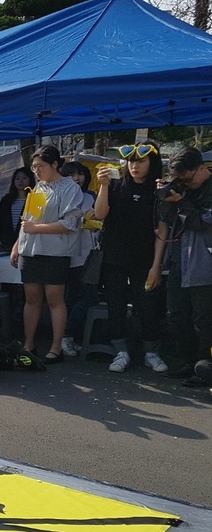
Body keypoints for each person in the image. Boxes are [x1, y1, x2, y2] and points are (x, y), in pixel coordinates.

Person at [90, 145, 168, 372]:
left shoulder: (158, 190)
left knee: (147, 305)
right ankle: (120, 351)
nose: (135, 166)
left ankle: (151, 352)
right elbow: (100, 214)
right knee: (116, 305)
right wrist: (103, 186)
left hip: (145, 259)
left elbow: (162, 231)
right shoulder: (115, 185)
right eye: (131, 162)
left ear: (152, 164)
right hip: (114, 257)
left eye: (141, 162)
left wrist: (156, 266)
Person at [10, 145, 85, 364]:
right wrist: (17, 245)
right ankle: (29, 343)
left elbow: (70, 223)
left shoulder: (70, 188)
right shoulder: (37, 188)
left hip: (55, 251)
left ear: (54, 164)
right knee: (31, 298)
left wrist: (37, 229)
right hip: (29, 249)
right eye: (33, 167)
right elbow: (26, 222)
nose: (36, 171)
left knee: (54, 299)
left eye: (40, 166)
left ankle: (55, 347)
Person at [157, 147, 212, 387]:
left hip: (205, 262)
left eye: (187, 178)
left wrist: (182, 204)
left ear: (202, 168)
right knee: (176, 314)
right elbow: (166, 220)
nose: (184, 183)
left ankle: (205, 366)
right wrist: (167, 199)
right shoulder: (181, 188)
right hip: (180, 258)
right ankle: (188, 361)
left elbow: (202, 222)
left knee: (204, 318)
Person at [59, 161, 101, 359]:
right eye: (70, 175)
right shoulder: (62, 197)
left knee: (87, 297)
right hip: (67, 254)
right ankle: (65, 336)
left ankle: (70, 335)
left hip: (89, 255)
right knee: (71, 298)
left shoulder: (91, 196)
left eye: (80, 174)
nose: (76, 178)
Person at [0, 167, 36, 250]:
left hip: (26, 243)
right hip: (6, 243)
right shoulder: (6, 200)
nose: (21, 181)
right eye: (17, 178)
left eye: (24, 178)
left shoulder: (34, 199)